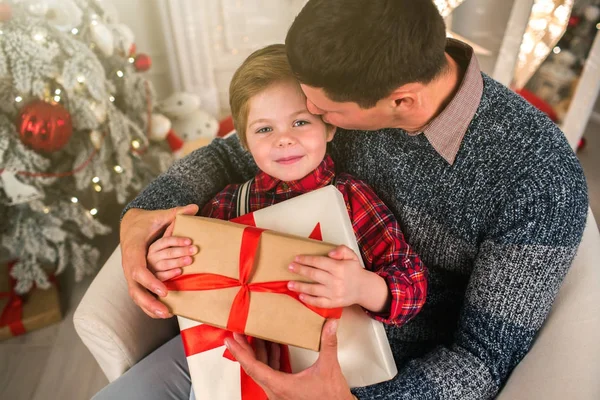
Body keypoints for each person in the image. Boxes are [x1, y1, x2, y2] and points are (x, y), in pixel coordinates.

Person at [108, 1, 588, 399]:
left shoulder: (540, 181)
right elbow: (228, 154)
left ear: (400, 101)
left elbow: (481, 359)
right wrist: (143, 215)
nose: (310, 116)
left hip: (376, 370)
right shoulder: (348, 75)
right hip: (250, 328)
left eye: (320, 111)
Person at [146, 44, 427, 326]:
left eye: (300, 122)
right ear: (244, 142)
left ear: (329, 127)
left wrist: (361, 287)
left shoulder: (350, 198)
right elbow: (193, 284)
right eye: (264, 129)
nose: (284, 139)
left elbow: (412, 284)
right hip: (234, 356)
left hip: (333, 357)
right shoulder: (227, 206)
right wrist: (164, 266)